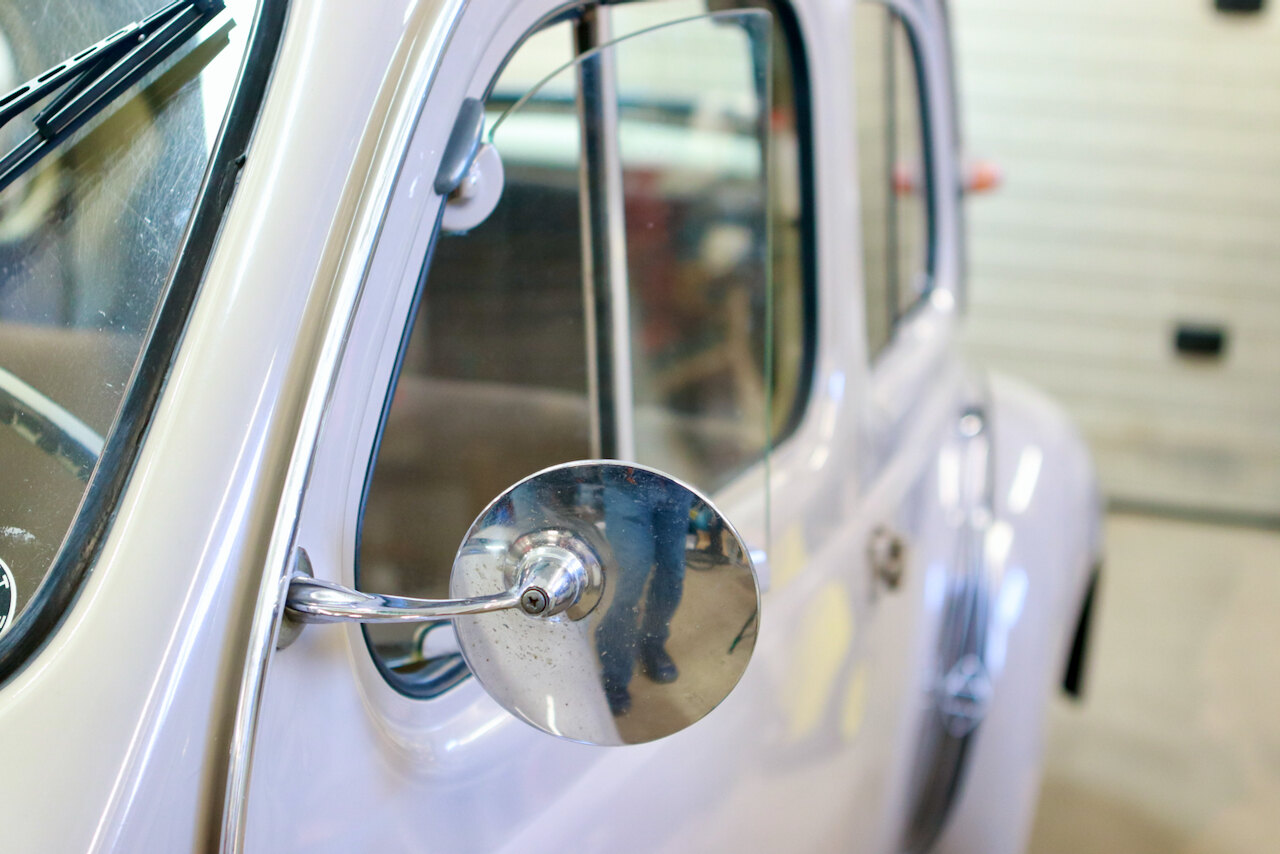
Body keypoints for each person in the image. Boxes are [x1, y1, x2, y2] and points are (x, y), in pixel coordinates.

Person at [595, 466, 693, 716]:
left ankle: (652, 644)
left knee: (672, 570)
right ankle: (614, 672)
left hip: (677, 484)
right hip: (626, 483)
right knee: (632, 572)